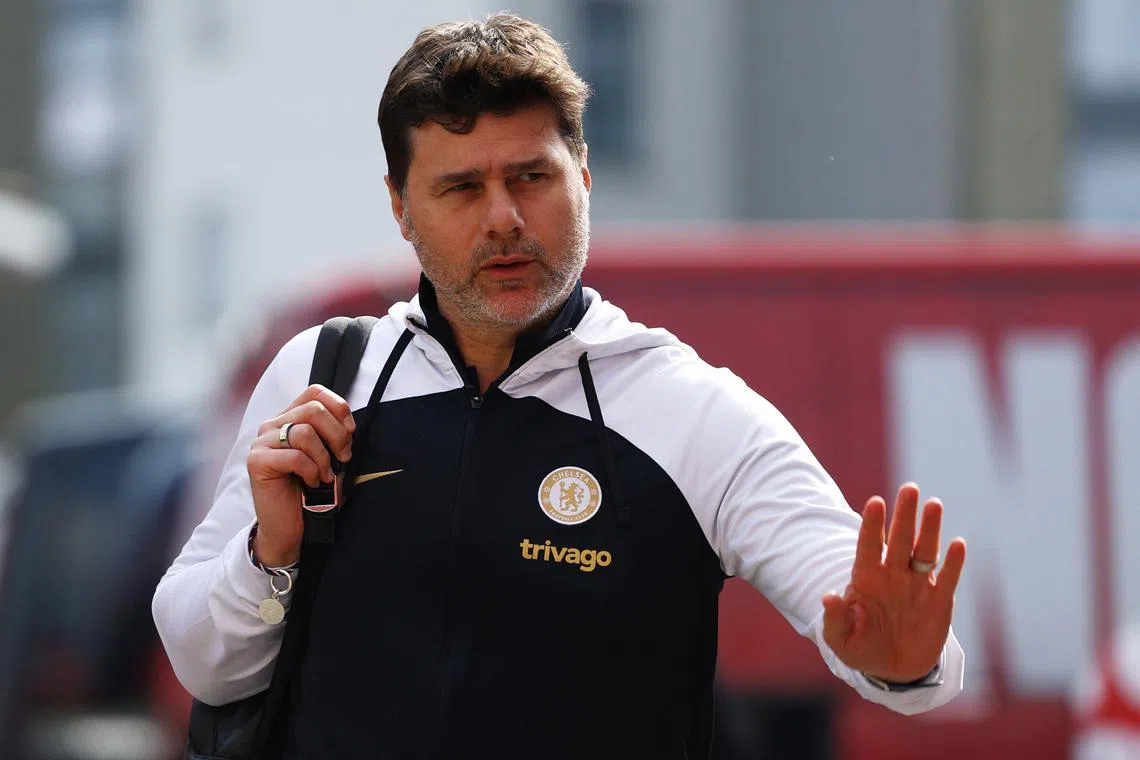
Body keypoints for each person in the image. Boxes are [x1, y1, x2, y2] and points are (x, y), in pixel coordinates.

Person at [152, 12, 967, 759]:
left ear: (583, 175)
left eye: (531, 177)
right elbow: (205, 666)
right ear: (401, 209)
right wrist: (270, 556)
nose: (503, 217)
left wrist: (902, 662)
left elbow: (858, 603)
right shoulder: (322, 375)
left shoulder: (690, 411)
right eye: (462, 188)